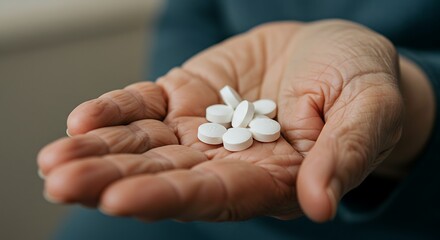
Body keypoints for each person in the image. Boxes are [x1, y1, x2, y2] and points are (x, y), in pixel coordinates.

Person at [38, 0, 440, 239]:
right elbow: (191, 11)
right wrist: (174, 95)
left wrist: (415, 99)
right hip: (193, 194)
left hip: (404, 207)